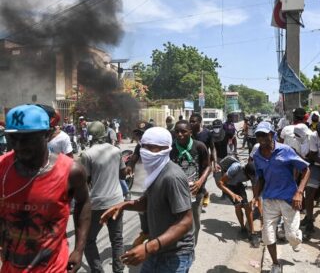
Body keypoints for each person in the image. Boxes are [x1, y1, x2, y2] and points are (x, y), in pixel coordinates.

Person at [0, 104, 90, 272]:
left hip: (53, 267)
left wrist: (79, 249)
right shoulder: (1, 167)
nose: (18, 146)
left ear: (47, 135)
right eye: (13, 139)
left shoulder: (71, 171)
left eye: (27, 139)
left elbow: (83, 203)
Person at [100, 127, 194, 272]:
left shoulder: (172, 177)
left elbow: (186, 221)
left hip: (175, 253)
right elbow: (148, 202)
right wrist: (123, 205)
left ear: (165, 149)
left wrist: (149, 247)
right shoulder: (155, 171)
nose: (145, 152)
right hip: (156, 247)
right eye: (143, 147)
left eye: (151, 148)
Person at [252, 122, 311, 273]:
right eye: (259, 135)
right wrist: (255, 196)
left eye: (264, 134)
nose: (261, 138)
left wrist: (299, 192)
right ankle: (275, 263)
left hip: (288, 198)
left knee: (291, 236)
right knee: (268, 235)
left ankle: (296, 238)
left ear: (272, 134)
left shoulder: (285, 150)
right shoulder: (257, 155)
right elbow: (260, 178)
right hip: (269, 199)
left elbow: (306, 169)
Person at [80, 121, 126, 273]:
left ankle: (97, 270)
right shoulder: (116, 150)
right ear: (104, 133)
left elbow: (85, 181)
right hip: (117, 200)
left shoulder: (87, 154)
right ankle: (118, 270)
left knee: (88, 239)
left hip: (97, 203)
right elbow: (122, 175)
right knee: (117, 239)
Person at [170, 120, 211, 244]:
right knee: (176, 221)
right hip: (176, 191)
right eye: (177, 132)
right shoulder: (171, 148)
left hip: (195, 192)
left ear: (190, 132)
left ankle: (191, 247)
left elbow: (208, 166)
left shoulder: (199, 146)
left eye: (183, 131)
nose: (180, 135)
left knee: (194, 221)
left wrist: (200, 182)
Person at [217, 158, 260, 247]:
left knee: (247, 206)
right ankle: (243, 228)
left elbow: (254, 186)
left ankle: (252, 232)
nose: (251, 179)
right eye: (250, 177)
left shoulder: (254, 174)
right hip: (228, 186)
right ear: (245, 172)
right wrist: (233, 195)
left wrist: (255, 198)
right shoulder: (236, 168)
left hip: (238, 185)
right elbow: (220, 183)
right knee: (238, 206)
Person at [189, 113, 217, 208]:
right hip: (191, 165)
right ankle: (205, 193)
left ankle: (196, 208)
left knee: (200, 184)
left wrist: (215, 163)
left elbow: (213, 148)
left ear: (200, 122)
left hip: (205, 165)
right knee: (194, 185)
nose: (191, 123)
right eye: (190, 121)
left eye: (193, 121)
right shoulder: (188, 133)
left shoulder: (207, 133)